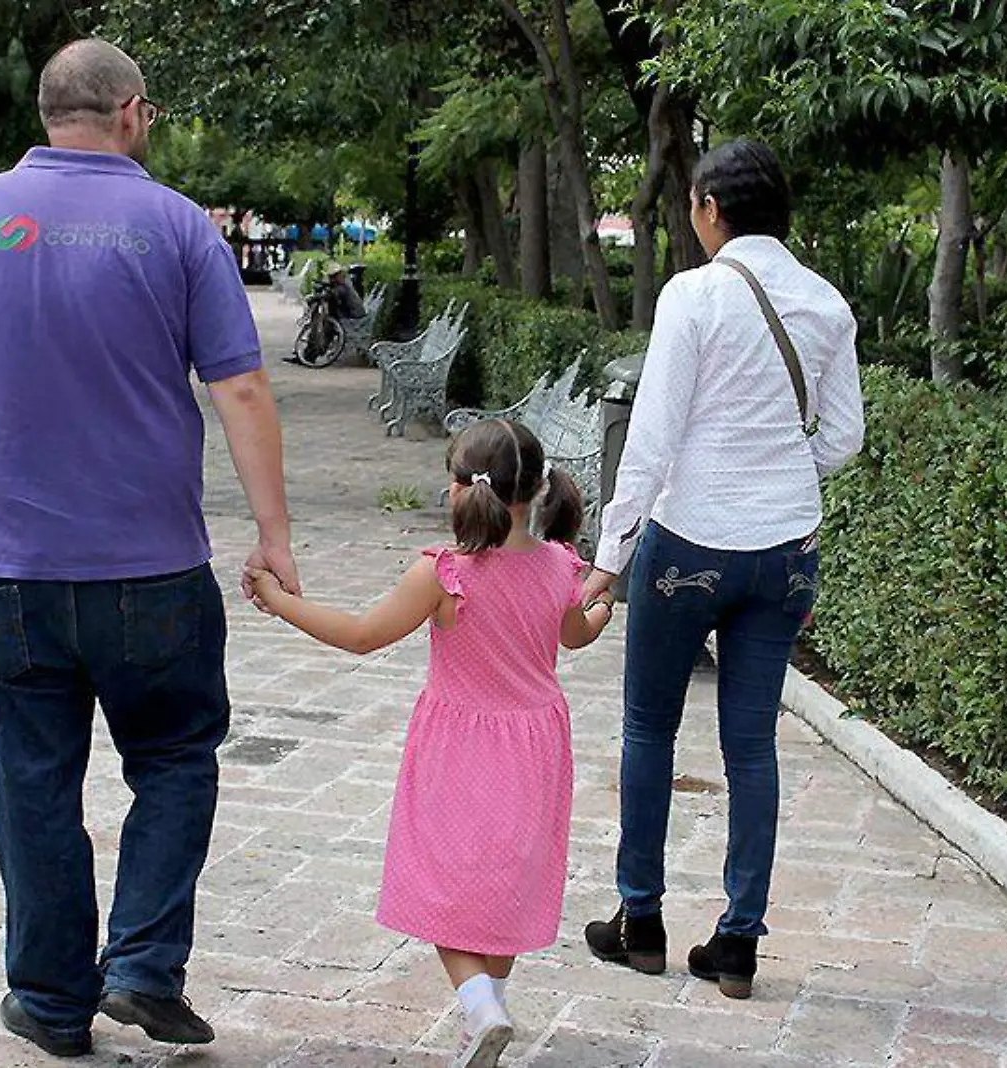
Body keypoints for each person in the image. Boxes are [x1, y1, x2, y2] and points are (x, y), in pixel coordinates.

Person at [0, 38, 299, 1059]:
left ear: (47, 112)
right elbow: (240, 387)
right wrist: (274, 535)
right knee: (173, 759)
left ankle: (50, 1001)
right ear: (133, 113)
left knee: (32, 782)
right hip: (154, 575)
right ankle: (147, 966)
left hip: (16, 579)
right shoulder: (176, 226)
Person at [579, 140, 865, 999]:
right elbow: (844, 440)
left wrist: (608, 558)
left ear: (710, 209)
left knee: (648, 730)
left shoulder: (694, 296)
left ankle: (641, 919)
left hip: (689, 544)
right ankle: (738, 944)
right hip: (785, 551)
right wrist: (775, 464)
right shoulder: (825, 304)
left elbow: (653, 438)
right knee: (752, 747)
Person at [248, 419, 614, 1068]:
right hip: (536, 746)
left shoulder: (444, 574)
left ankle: (479, 1006)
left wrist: (280, 603)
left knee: (440, 883)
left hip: (459, 748)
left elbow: (361, 635)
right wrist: (601, 612)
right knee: (503, 888)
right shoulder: (560, 566)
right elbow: (574, 635)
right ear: (534, 489)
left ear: (458, 491)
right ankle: (485, 1015)